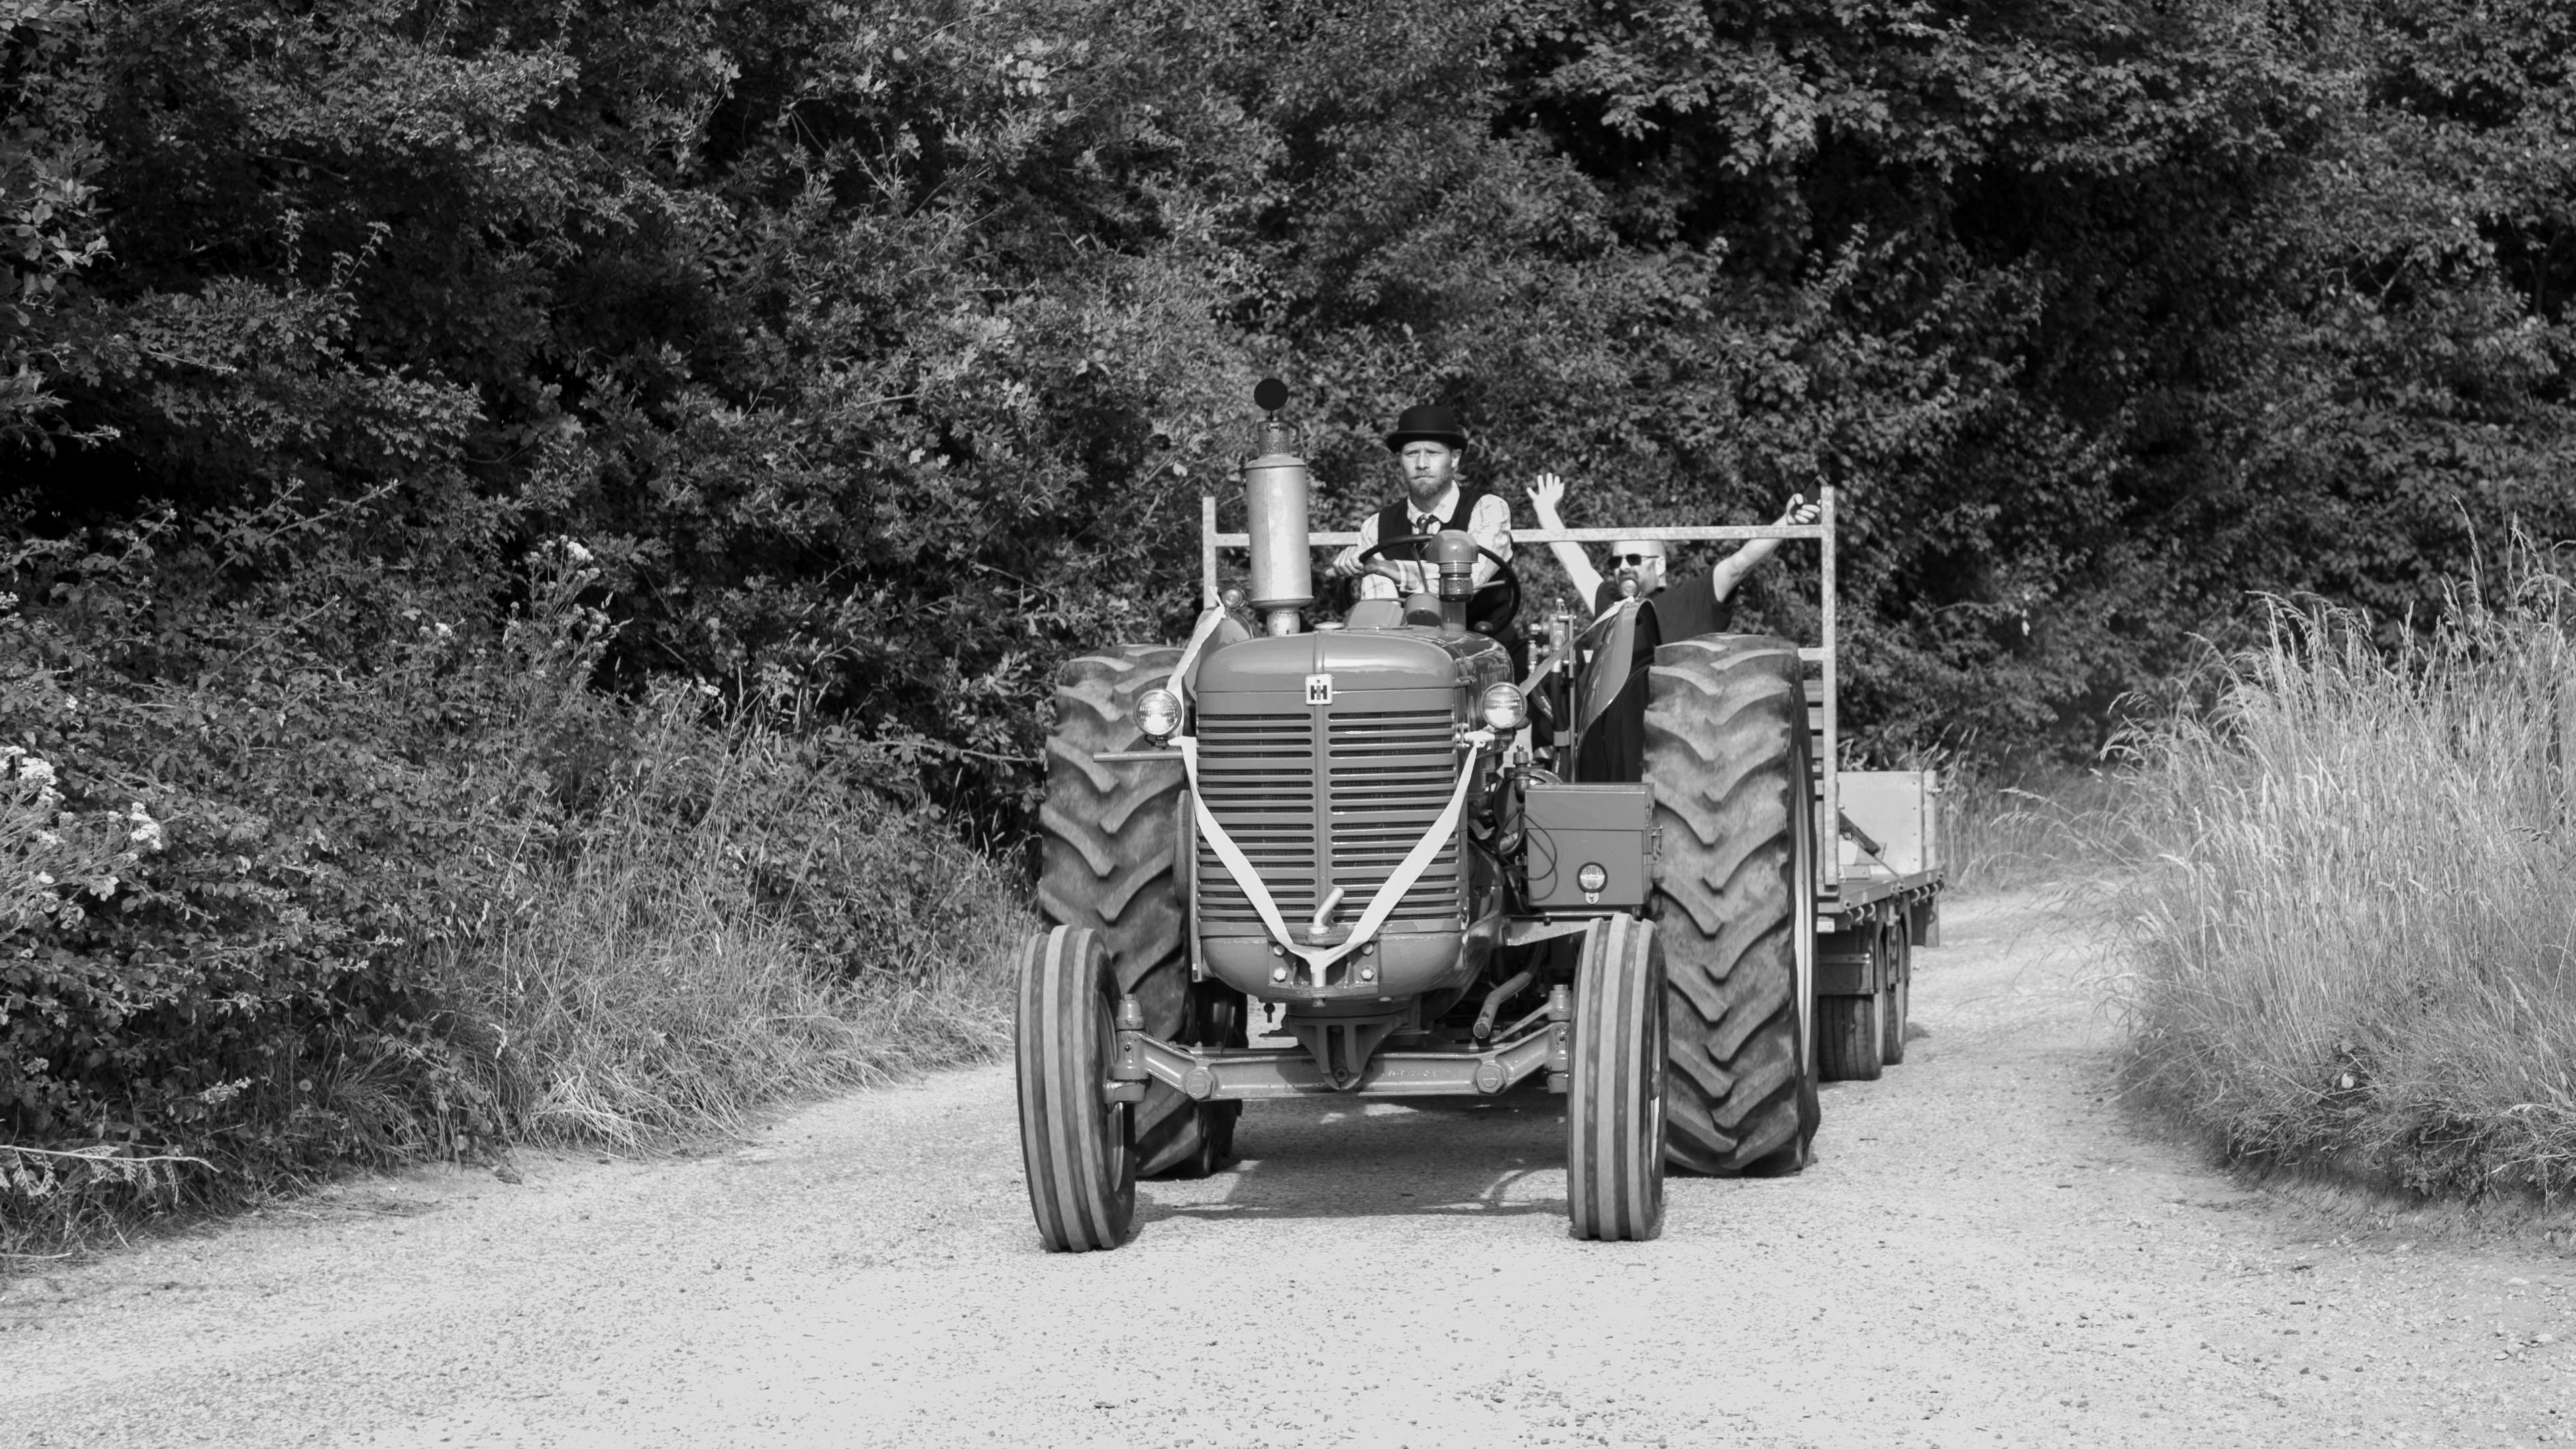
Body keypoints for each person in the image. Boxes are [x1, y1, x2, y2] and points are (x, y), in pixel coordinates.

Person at [1525, 472, 1821, 639]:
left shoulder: (1695, 600)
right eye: (1616, 562)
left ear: (1661, 564)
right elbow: (1575, 564)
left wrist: (1787, 523)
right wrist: (1545, 510)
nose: (1623, 567)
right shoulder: (1610, 604)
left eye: (1634, 559)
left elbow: (1740, 564)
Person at [1326, 404, 1521, 655]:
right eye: (1411, 454)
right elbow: (1379, 610)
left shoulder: (1488, 508)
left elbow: (1465, 577)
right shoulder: (1375, 526)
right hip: (1411, 659)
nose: (1421, 463)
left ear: (1455, 458)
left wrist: (1385, 567)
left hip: (1488, 651)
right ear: (1399, 460)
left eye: (1432, 452)